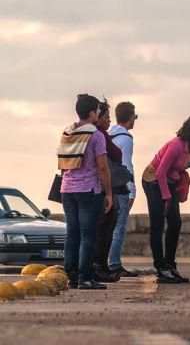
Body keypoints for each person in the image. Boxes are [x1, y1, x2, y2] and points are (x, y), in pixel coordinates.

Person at [142, 112, 190, 283]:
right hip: (153, 181)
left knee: (175, 223)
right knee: (157, 224)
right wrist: (167, 198)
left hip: (168, 181)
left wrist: (189, 165)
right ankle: (161, 268)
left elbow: (177, 167)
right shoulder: (176, 145)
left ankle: (170, 265)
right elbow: (160, 173)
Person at [57, 94, 113, 290]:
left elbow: (62, 165)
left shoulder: (67, 132)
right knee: (88, 235)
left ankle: (71, 277)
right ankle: (85, 278)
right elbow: (103, 167)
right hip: (88, 190)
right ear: (91, 113)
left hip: (67, 189)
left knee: (72, 234)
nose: (98, 114)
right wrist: (109, 194)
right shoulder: (96, 135)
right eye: (98, 111)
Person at [93, 101, 128, 283]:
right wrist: (108, 194)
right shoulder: (100, 135)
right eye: (106, 117)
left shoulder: (100, 134)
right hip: (102, 189)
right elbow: (115, 156)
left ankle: (101, 266)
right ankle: (100, 267)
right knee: (104, 229)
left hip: (92, 188)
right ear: (97, 117)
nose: (108, 121)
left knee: (102, 230)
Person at [108, 101, 139, 278]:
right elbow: (127, 166)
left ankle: (106, 263)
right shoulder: (126, 138)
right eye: (135, 116)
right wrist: (132, 191)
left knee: (108, 229)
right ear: (130, 118)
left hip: (107, 187)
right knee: (119, 229)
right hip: (121, 189)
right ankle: (114, 264)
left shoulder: (109, 134)